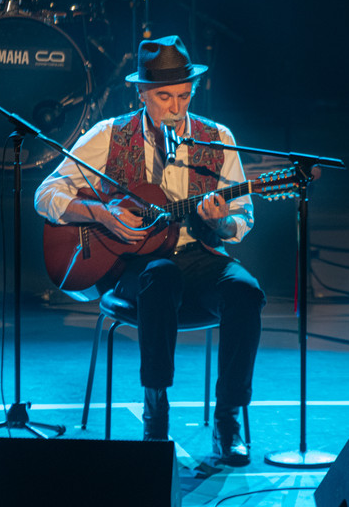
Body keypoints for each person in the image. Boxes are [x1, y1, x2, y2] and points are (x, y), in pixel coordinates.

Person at [34, 36, 265, 466]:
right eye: (164, 97)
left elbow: (242, 219)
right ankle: (155, 410)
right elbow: (45, 193)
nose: (176, 107)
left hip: (198, 256)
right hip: (135, 261)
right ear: (141, 93)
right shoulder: (109, 135)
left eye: (183, 95)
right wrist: (99, 214)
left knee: (246, 291)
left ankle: (228, 416)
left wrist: (219, 221)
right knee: (161, 278)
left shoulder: (217, 138)